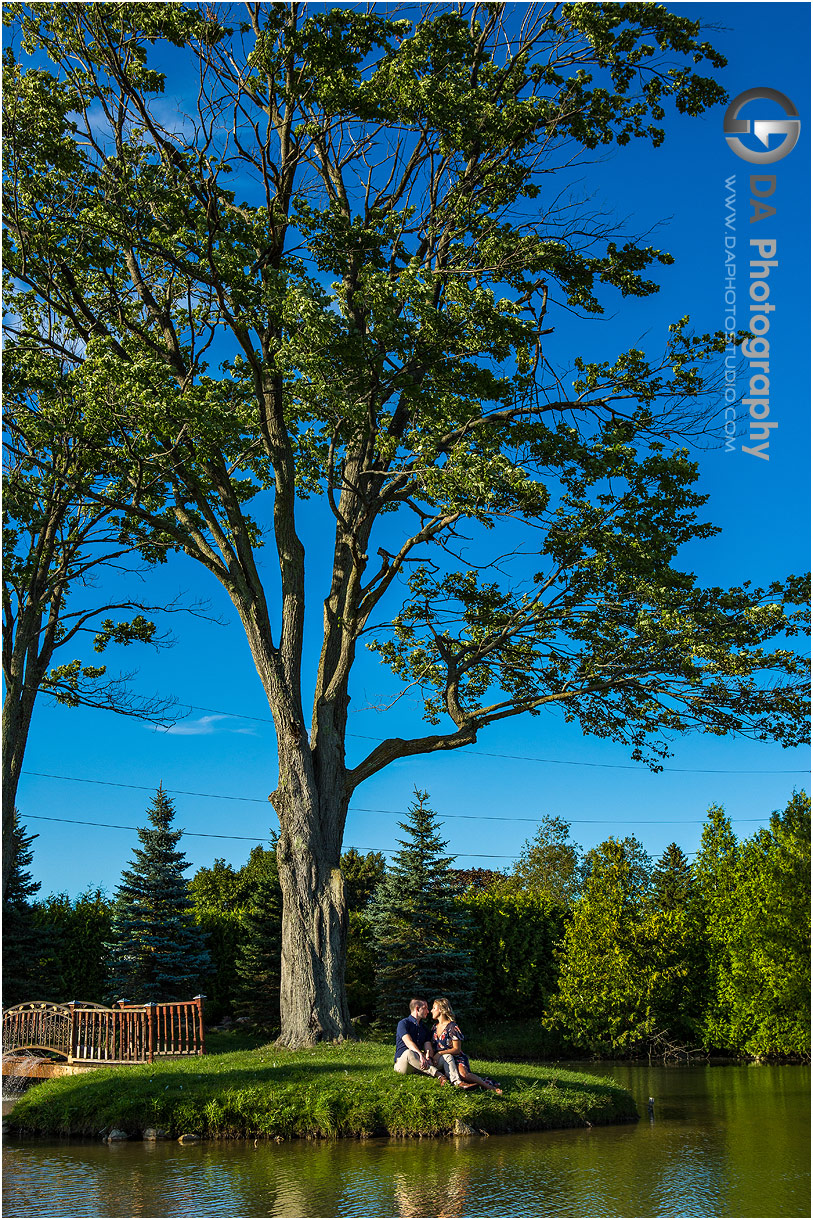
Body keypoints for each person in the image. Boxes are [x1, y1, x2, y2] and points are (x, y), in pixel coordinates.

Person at [430, 997, 503, 1093]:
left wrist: (440, 1053)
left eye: (434, 1008)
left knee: (464, 1075)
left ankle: (490, 1087)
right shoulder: (434, 1028)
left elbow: (456, 1049)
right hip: (442, 1060)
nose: (431, 1011)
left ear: (441, 1009)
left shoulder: (452, 1027)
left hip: (456, 1057)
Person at [394, 997, 455, 1083]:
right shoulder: (403, 1023)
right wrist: (420, 1055)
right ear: (417, 1008)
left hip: (419, 1064)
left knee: (447, 1056)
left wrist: (429, 1057)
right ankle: (439, 1075)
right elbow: (408, 1042)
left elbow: (428, 1046)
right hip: (403, 1064)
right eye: (425, 1008)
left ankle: (456, 1081)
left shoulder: (424, 1028)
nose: (428, 1011)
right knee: (409, 1052)